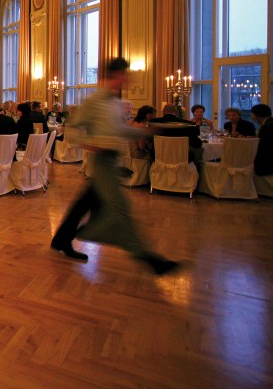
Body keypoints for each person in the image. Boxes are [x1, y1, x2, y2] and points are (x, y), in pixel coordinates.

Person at [50, 58, 180, 275]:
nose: (127, 79)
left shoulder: (114, 103)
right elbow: (72, 129)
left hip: (112, 161)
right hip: (102, 163)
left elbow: (122, 131)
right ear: (114, 76)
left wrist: (148, 131)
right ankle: (148, 258)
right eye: (124, 75)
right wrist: (91, 144)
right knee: (120, 210)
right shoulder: (95, 101)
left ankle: (62, 239)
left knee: (85, 204)